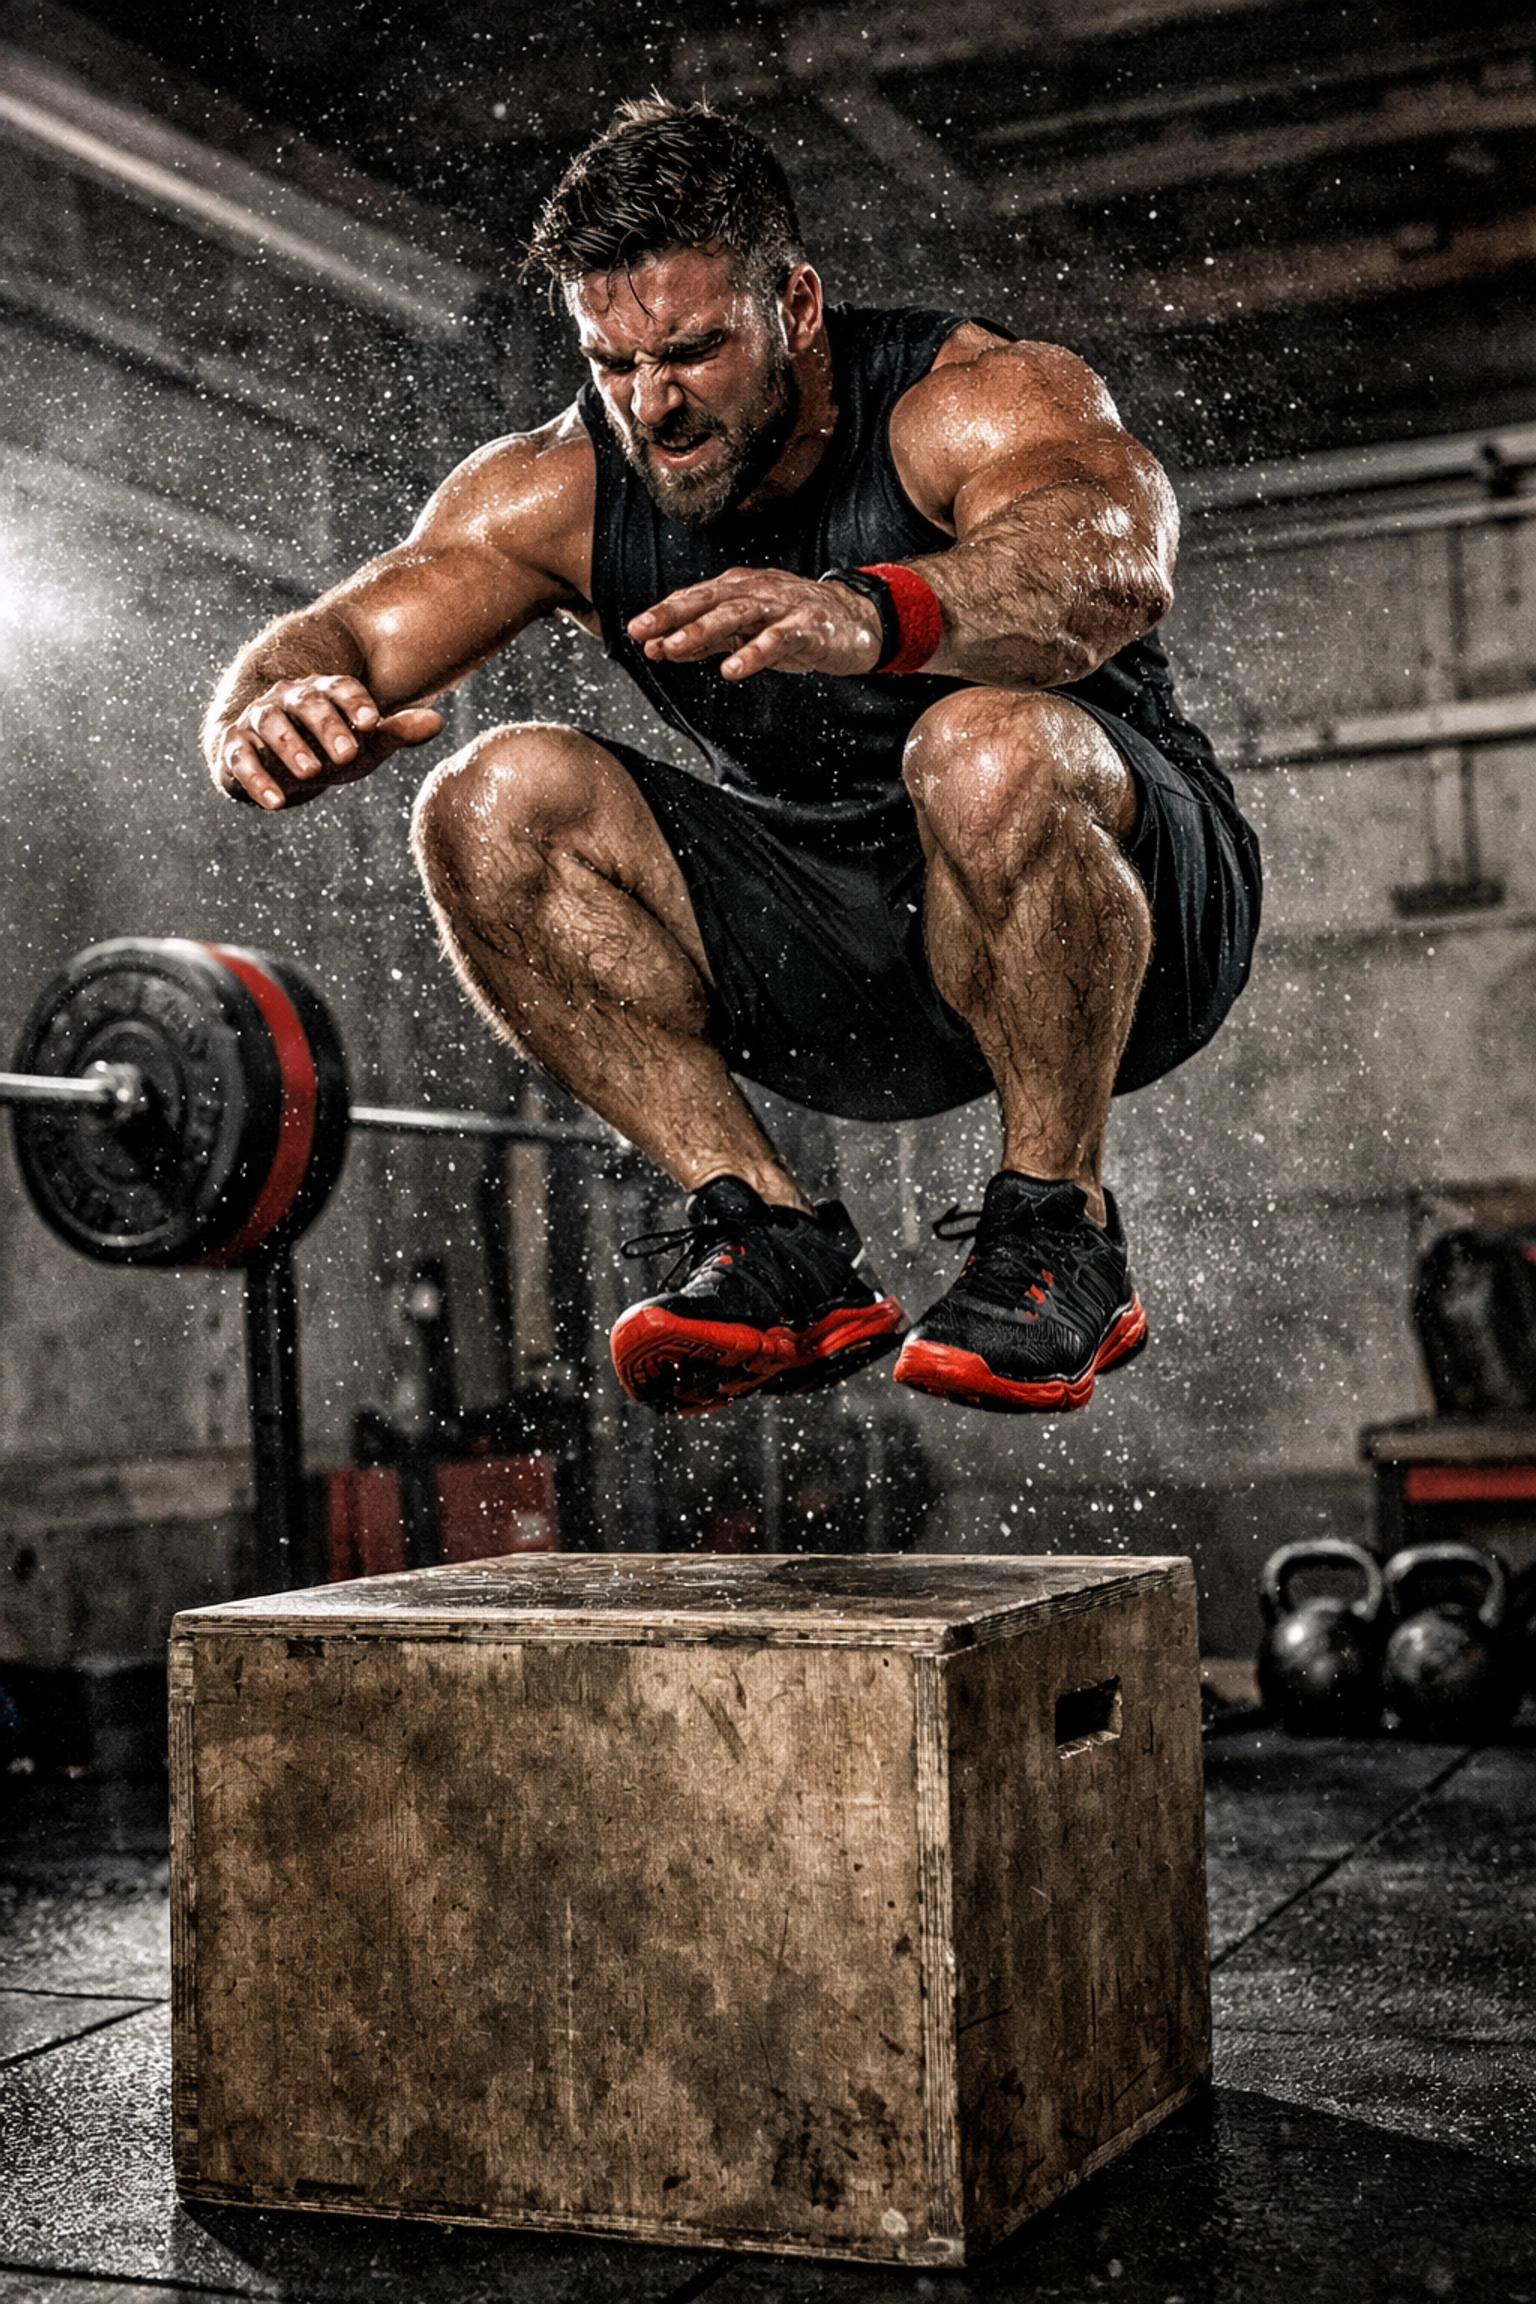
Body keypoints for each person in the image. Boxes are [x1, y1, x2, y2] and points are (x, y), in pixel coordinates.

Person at [204, 97, 1260, 1420]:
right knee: (488, 800)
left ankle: (1059, 1230)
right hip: (852, 955)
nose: (658, 406)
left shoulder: (963, 400)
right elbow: (342, 632)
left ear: (797, 309)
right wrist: (269, 711)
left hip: (1140, 914)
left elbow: (1117, 554)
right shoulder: (558, 489)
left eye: (697, 351)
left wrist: (879, 614)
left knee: (976, 742)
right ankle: (773, 1247)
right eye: (615, 363)